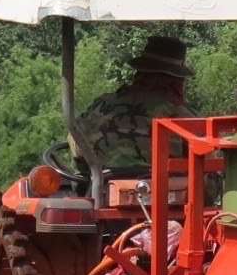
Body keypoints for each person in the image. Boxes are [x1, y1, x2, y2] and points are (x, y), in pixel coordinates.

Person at [76, 36, 194, 177]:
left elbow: (77, 147)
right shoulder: (183, 116)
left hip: (103, 188)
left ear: (139, 72)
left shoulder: (101, 105)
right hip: (166, 194)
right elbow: (209, 165)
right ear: (175, 81)